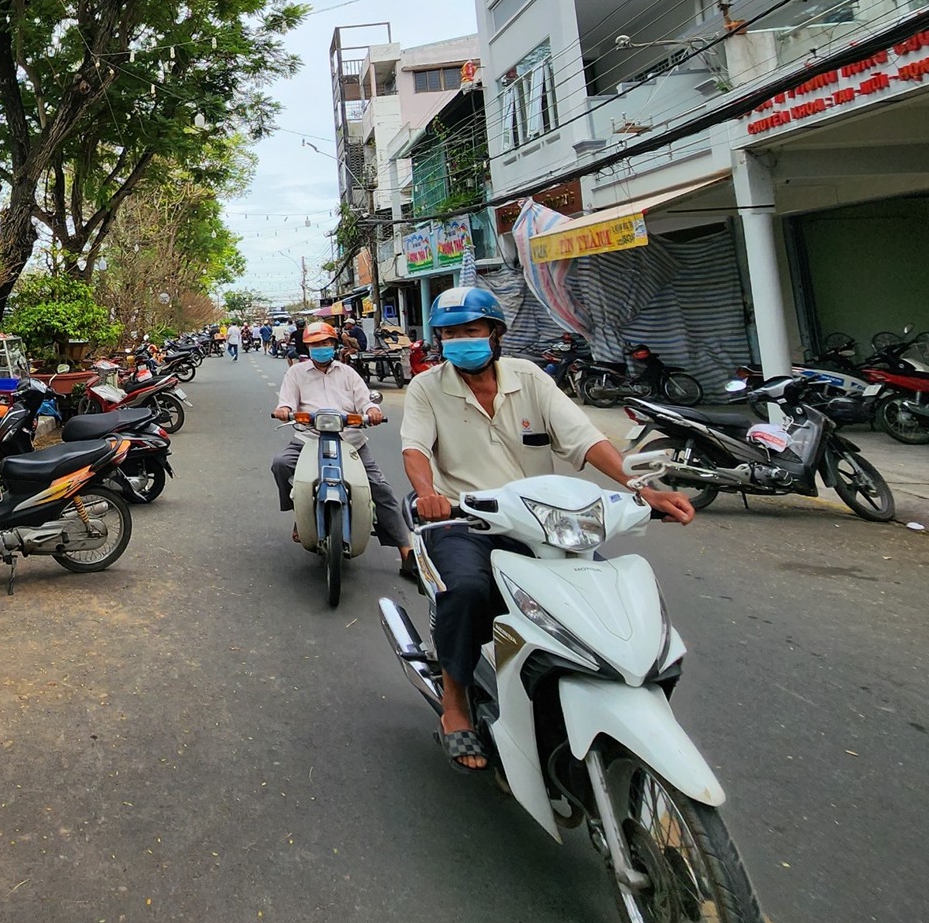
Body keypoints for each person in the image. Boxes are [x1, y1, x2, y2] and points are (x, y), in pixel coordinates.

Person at [400, 285, 696, 771]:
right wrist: (429, 492)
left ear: (495, 333)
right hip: (463, 517)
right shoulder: (426, 387)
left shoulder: (530, 377)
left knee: (605, 602)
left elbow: (586, 440)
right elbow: (416, 448)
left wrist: (643, 490)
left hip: (543, 520)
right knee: (468, 591)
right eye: (450, 334)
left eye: (470, 331)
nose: (460, 341)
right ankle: (456, 703)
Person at [270, 321, 418, 582]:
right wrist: (284, 410)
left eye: (326, 343)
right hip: (308, 438)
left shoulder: (348, 373)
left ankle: (406, 551)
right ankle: (299, 512)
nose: (321, 348)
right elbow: (286, 402)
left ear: (333, 345)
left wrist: (372, 411)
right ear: (308, 346)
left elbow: (364, 400)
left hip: (350, 440)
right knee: (280, 464)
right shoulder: (296, 373)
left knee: (380, 487)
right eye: (316, 344)